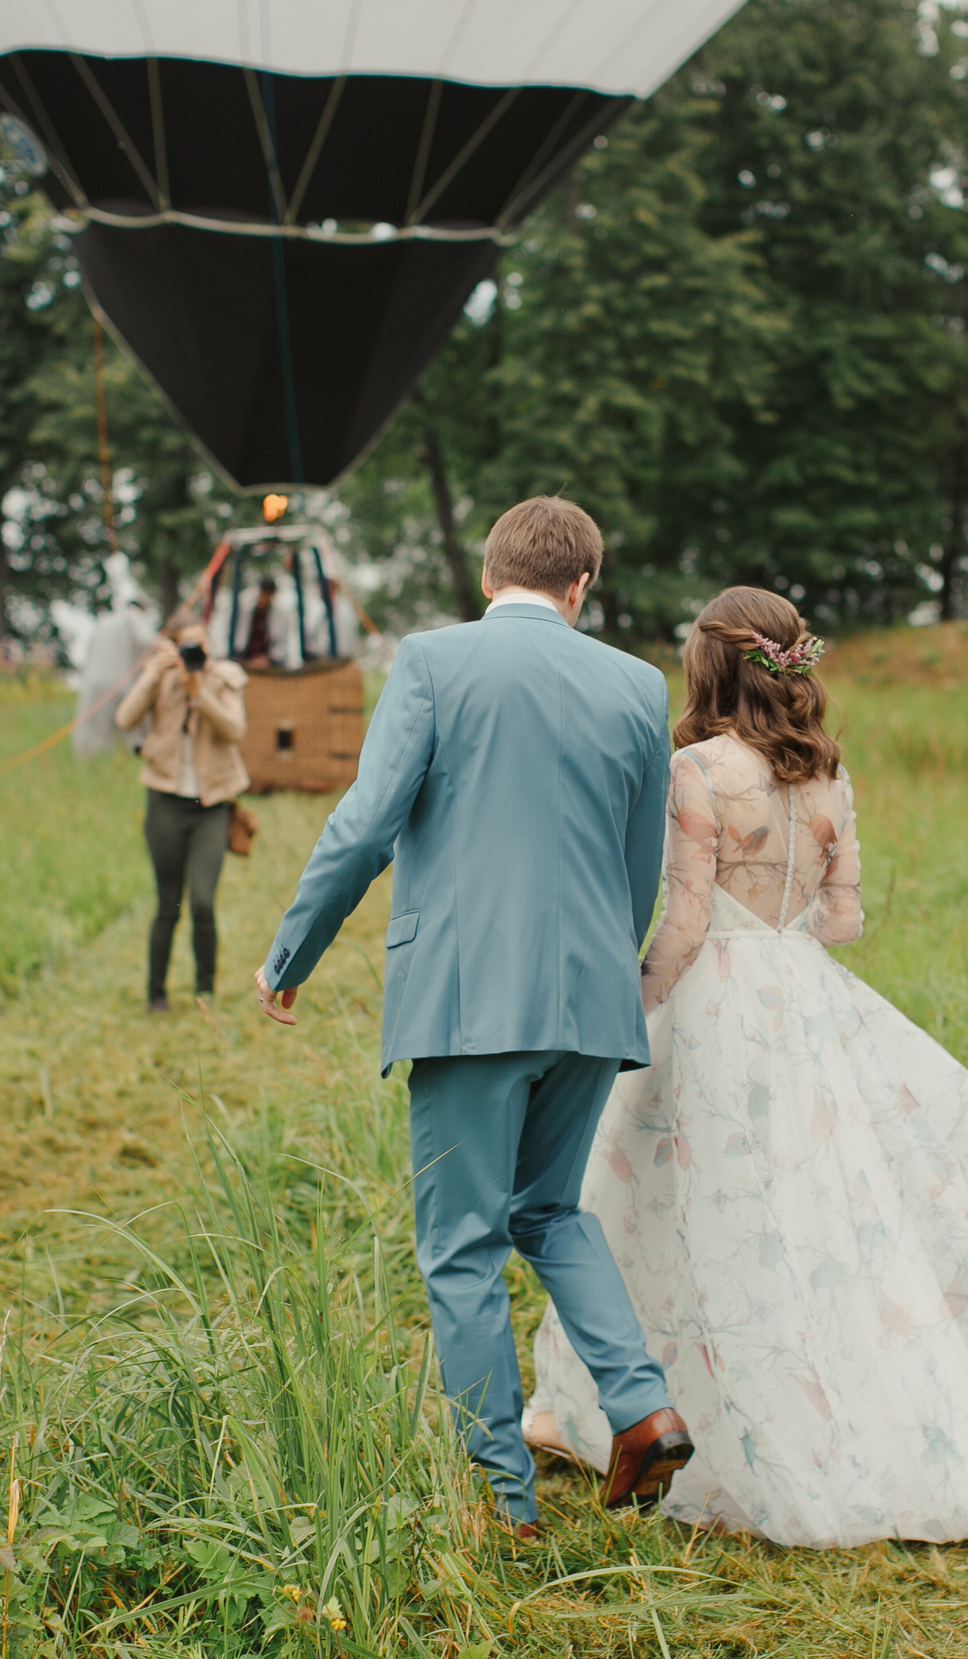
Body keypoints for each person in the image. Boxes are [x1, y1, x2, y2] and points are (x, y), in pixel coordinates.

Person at [522, 586, 968, 1547]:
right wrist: (786, 935)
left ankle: (634, 1412)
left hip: (713, 1007)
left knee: (671, 1205)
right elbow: (843, 921)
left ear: (710, 668)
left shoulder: (696, 769)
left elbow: (689, 923)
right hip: (807, 1000)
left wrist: (630, 1007)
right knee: (826, 1223)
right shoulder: (830, 777)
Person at [252, 497, 693, 1538]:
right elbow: (642, 871)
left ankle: (503, 1493)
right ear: (580, 585)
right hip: (589, 998)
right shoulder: (636, 684)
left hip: (467, 1001)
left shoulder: (433, 661)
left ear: (489, 576)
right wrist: (595, 970)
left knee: (459, 1245)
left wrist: (291, 952)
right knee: (548, 1213)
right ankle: (642, 1404)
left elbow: (364, 825)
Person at [114, 617, 248, 1012]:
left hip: (211, 807)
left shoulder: (224, 680)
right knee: (168, 902)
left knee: (203, 902)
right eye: (186, 646)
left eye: (200, 646)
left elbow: (235, 730)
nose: (195, 655)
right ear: (171, 649)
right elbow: (125, 719)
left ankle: (204, 990)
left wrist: (200, 694)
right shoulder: (161, 679)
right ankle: (156, 993)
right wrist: (153, 675)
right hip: (165, 803)